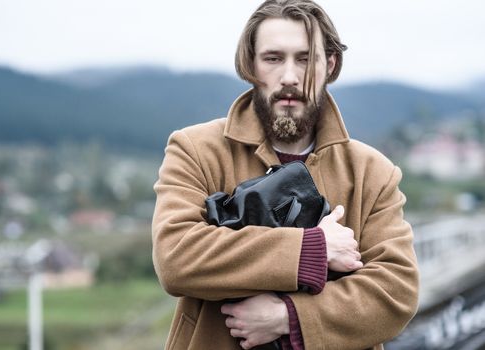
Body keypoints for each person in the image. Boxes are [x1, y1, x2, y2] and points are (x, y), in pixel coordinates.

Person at [152, 0, 419, 349]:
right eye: (273, 58)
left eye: (305, 59)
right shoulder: (195, 149)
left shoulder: (373, 172)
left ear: (330, 65)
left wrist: (290, 317)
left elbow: (395, 292)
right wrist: (313, 249)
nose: (290, 77)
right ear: (251, 64)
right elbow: (177, 257)